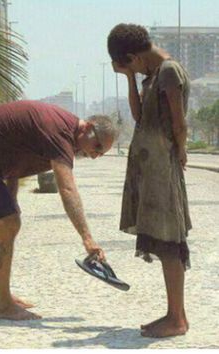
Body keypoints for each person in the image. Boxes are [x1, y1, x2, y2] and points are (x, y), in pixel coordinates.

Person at [0, 100, 117, 321]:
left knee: (6, 219)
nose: (96, 155)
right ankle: (4, 303)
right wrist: (87, 239)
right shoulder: (61, 132)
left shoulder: (65, 133)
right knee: (8, 222)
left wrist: (11, 198)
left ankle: (4, 296)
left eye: (101, 153)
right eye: (98, 147)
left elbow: (14, 161)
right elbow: (67, 189)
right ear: (88, 128)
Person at [107, 23, 192, 338]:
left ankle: (177, 319)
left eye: (129, 65)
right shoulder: (153, 75)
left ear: (132, 55)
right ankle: (174, 314)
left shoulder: (168, 70)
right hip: (152, 168)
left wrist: (181, 151)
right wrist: (131, 77)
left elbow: (178, 122)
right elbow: (141, 117)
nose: (133, 70)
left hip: (163, 168)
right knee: (163, 239)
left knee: (170, 242)